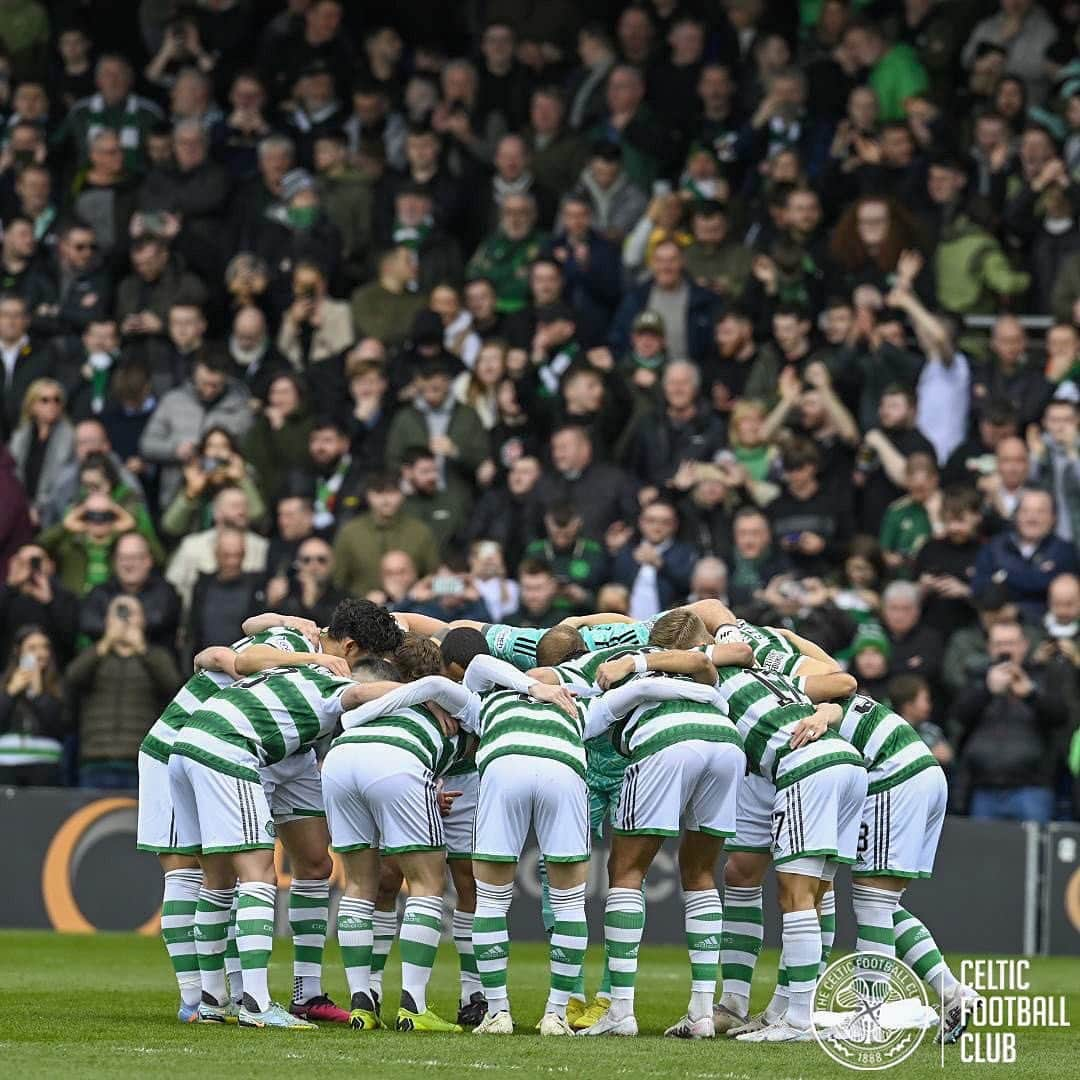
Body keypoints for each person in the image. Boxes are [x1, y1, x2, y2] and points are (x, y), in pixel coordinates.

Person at [166, 601, 397, 1029]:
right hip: (247, 742)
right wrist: (312, 655)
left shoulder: (317, 648)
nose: (377, 669)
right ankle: (242, 997)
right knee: (249, 871)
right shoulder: (297, 640)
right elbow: (241, 659)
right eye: (372, 661)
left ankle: (301, 993)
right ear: (351, 647)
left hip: (291, 746)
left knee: (315, 862)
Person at [954, 619, 1068, 824]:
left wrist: (1030, 694)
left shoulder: (1043, 674)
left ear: (1024, 645)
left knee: (1034, 853)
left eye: (1011, 643)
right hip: (984, 787)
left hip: (1032, 787)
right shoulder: (977, 676)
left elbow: (1060, 716)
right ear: (989, 647)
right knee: (984, 854)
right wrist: (987, 691)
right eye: (999, 644)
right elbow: (959, 716)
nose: (1005, 649)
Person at [67, 595, 182, 789]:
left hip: (139, 760)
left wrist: (142, 649)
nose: (124, 619)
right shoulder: (95, 654)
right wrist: (105, 644)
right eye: (119, 613)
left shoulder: (156, 656)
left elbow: (172, 686)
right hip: (95, 759)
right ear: (106, 621)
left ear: (143, 620)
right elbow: (72, 678)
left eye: (131, 613)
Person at [138, 355, 254, 511]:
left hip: (226, 496)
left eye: (216, 385)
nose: (209, 390)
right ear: (194, 377)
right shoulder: (173, 401)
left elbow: (250, 452)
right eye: (204, 383)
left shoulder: (240, 408)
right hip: (176, 494)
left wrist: (226, 453)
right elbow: (146, 445)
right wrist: (175, 450)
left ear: (226, 379)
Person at [973, 488, 1079, 620]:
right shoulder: (994, 547)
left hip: (1046, 627)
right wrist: (1037, 582)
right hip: (997, 625)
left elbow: (1067, 598)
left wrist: (1004, 578)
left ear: (1053, 518)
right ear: (1016, 515)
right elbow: (979, 588)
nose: (1032, 518)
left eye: (1040, 512)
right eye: (1025, 511)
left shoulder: (1064, 551)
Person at [333, 472, 440, 598]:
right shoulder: (350, 533)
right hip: (361, 609)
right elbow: (337, 582)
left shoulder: (420, 532)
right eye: (378, 493)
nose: (385, 500)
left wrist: (417, 592)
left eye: (392, 493)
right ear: (368, 496)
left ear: (402, 495)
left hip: (413, 607)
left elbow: (435, 577)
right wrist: (361, 598)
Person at [165, 486, 269, 611]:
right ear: (217, 512)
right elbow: (172, 586)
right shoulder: (192, 546)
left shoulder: (261, 547)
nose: (242, 511)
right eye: (235, 506)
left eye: (245, 506)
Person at [79, 532, 181, 654]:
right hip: (106, 665)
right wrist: (130, 627)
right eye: (122, 558)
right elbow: (87, 622)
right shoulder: (100, 591)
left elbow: (160, 620)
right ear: (114, 562)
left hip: (154, 666)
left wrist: (116, 629)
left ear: (148, 560)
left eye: (134, 558)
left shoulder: (166, 591)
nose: (128, 564)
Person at [0, 625, 67, 787]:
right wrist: (10, 693)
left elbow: (60, 726)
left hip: (45, 767)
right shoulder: (4, 684)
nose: (40, 653)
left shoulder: (59, 686)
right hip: (7, 766)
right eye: (32, 648)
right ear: (18, 651)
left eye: (45, 647)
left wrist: (37, 694)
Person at [607, 501, 696, 619]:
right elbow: (607, 583)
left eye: (665, 522)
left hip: (668, 626)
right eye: (651, 521)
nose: (657, 527)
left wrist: (661, 564)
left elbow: (690, 587)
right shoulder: (627, 550)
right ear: (641, 522)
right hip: (625, 624)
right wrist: (611, 551)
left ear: (675, 525)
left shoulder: (685, 552)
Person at [8, 377, 74, 522]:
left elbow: (64, 484)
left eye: (57, 400)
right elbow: (12, 476)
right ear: (32, 405)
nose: (52, 404)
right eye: (45, 400)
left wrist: (39, 508)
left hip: (55, 513)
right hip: (19, 510)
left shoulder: (70, 439)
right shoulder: (19, 438)